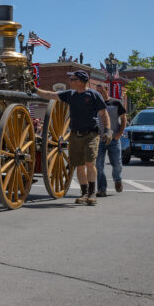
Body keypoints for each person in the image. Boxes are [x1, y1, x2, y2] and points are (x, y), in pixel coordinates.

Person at [34, 70, 110, 205]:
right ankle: (84, 193)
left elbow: (104, 114)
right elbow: (52, 95)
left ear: (80, 81)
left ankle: (92, 193)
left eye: (73, 79)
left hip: (91, 134)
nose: (70, 81)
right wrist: (35, 89)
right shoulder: (71, 94)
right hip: (75, 134)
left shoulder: (94, 95)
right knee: (79, 166)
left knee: (90, 163)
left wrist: (108, 130)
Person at [96, 84, 127, 197]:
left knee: (117, 163)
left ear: (107, 90)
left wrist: (119, 134)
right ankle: (102, 189)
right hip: (99, 139)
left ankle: (118, 180)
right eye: (97, 91)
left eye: (101, 90)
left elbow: (124, 119)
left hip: (114, 138)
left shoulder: (116, 102)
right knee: (99, 165)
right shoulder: (95, 104)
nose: (99, 93)